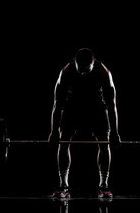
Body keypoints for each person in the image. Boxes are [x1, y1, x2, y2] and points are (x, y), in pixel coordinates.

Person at [48, 47, 121, 198]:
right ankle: (63, 186)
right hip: (73, 106)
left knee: (104, 142)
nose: (82, 72)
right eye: (79, 68)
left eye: (85, 69)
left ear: (93, 64)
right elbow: (57, 105)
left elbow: (111, 105)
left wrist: (115, 132)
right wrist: (53, 131)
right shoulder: (66, 72)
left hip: (96, 107)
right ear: (75, 63)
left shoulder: (103, 73)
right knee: (63, 140)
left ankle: (104, 185)